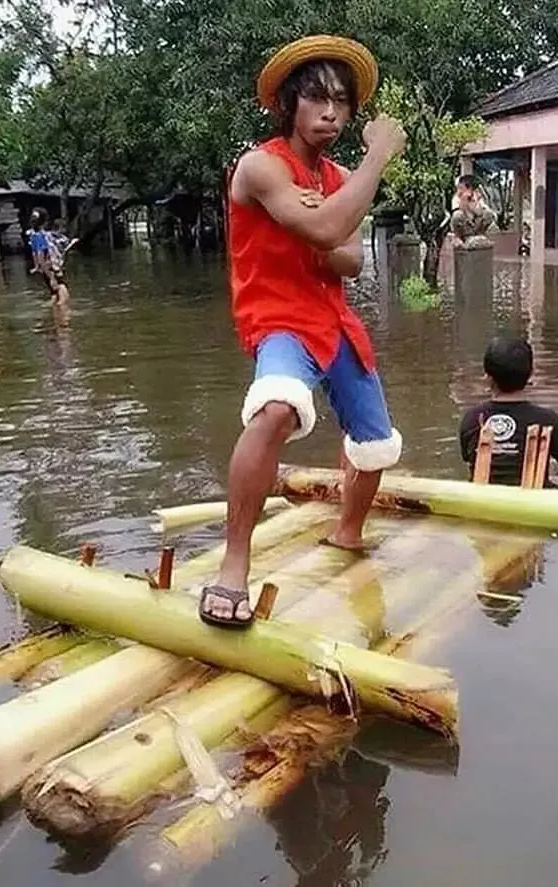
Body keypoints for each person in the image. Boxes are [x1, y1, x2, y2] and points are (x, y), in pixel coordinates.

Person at [199, 36, 407, 628]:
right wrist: (375, 161)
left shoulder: (338, 175)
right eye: (317, 98)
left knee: (374, 437)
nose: (331, 113)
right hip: (278, 315)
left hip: (335, 319)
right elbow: (327, 232)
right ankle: (232, 567)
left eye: (341, 102)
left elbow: (350, 260)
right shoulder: (259, 165)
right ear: (289, 104)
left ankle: (347, 534)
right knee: (275, 412)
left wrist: (325, 223)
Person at [458, 337, 558, 488]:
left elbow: (471, 463)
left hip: (482, 504)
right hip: (534, 505)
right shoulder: (547, 419)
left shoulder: (472, 418)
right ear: (530, 374)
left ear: (487, 378)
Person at [26, 208, 76, 308]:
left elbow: (34, 253)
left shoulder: (33, 236)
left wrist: (37, 267)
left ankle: (53, 319)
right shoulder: (42, 237)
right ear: (45, 222)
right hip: (51, 270)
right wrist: (52, 278)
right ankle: (61, 321)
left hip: (45, 271)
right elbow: (41, 256)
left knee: (55, 296)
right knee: (63, 299)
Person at [450, 175, 494, 247]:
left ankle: (479, 236)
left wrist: (472, 206)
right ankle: (460, 237)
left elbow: (480, 213)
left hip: (476, 225)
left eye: (461, 188)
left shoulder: (477, 197)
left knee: (488, 214)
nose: (459, 190)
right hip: (465, 226)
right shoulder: (456, 198)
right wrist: (464, 201)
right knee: (457, 215)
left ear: (469, 188)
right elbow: (459, 214)